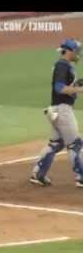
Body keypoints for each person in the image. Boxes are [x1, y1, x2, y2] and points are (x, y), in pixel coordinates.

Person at [30, 39, 83, 187]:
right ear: (69, 51)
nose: (78, 53)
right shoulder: (62, 65)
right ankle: (81, 177)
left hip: (57, 110)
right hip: (63, 110)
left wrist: (76, 85)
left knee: (56, 143)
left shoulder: (65, 66)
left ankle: (38, 174)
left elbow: (65, 86)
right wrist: (79, 89)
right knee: (75, 144)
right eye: (76, 50)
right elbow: (59, 88)